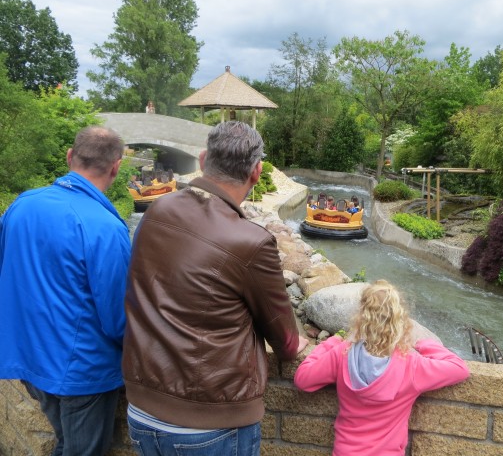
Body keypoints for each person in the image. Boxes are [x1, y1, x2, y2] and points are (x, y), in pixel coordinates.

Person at [122, 120, 308, 456]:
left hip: (141, 410)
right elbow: (285, 338)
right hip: (210, 423)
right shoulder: (251, 241)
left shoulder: (157, 210)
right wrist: (299, 342)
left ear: (204, 158)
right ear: (256, 171)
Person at [0, 126, 131, 455]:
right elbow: (118, 318)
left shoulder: (22, 206)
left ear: (70, 156)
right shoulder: (106, 228)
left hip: (31, 359)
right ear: (116, 167)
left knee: (65, 444)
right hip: (82, 371)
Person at [294, 280, 470, 456]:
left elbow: (303, 380)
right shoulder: (412, 365)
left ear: (361, 317)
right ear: (399, 320)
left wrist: (329, 344)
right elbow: (459, 368)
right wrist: (426, 344)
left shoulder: (342, 354)